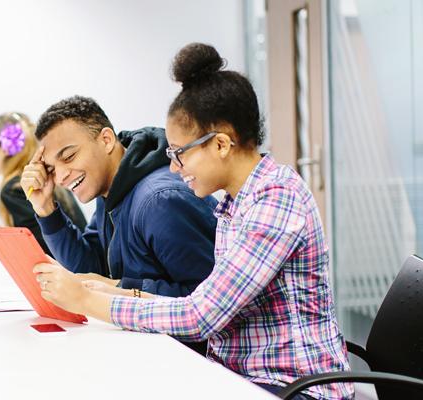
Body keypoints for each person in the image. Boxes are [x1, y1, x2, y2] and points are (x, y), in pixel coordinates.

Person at [33, 43, 353, 400]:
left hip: (293, 388)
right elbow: (204, 300)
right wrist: (112, 289)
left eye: (180, 153)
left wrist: (89, 301)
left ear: (220, 144)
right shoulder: (238, 202)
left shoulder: (276, 199)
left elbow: (202, 315)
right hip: (240, 376)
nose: (173, 167)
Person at [20, 95, 218, 356]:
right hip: (149, 347)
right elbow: (88, 269)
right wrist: (45, 208)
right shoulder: (111, 191)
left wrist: (114, 288)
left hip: (190, 361)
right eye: (51, 168)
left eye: (68, 156)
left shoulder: (160, 202)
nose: (60, 176)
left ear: (106, 140)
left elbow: (207, 303)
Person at [0, 112, 86, 254]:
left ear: (4, 149)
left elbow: (39, 249)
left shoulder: (14, 189)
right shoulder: (51, 177)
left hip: (67, 269)